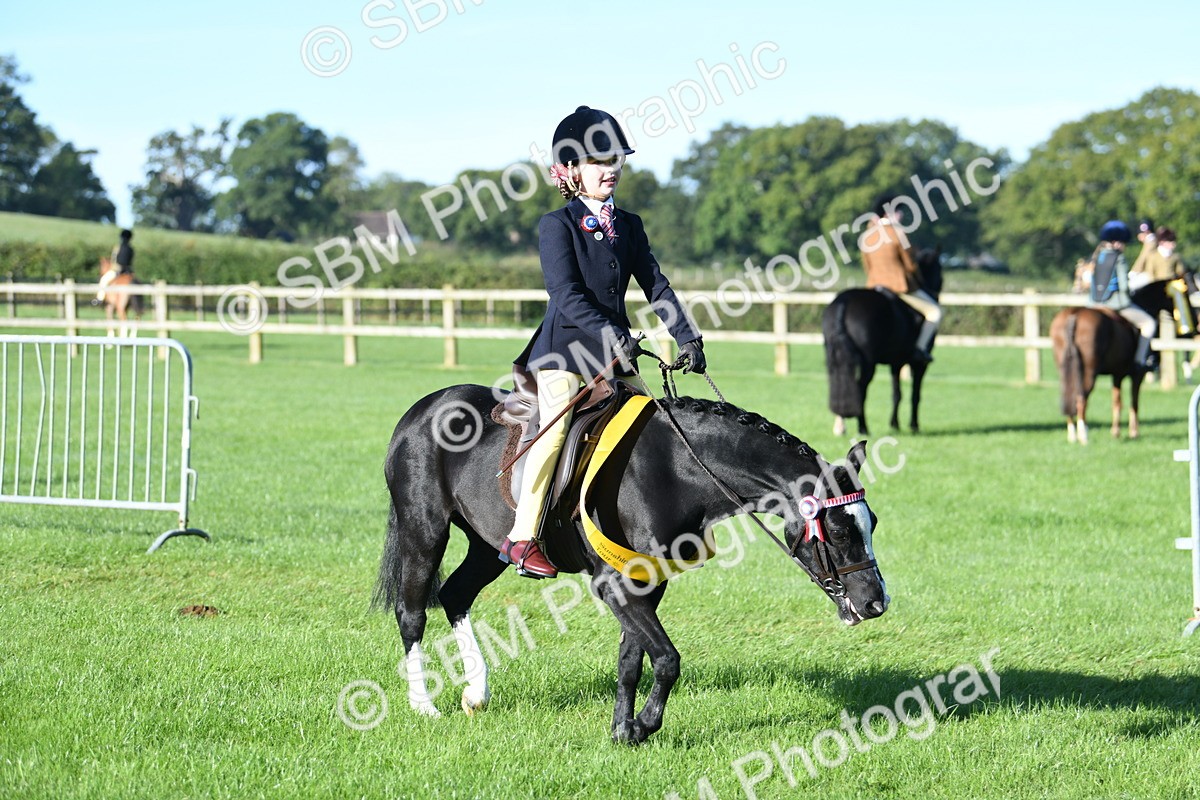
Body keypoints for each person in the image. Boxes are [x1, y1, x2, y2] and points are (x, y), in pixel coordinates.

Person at [499, 105, 705, 579]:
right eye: (598, 161)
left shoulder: (628, 224)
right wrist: (613, 331)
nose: (610, 168)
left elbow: (656, 285)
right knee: (553, 433)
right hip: (565, 352)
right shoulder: (558, 224)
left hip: (616, 353)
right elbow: (565, 295)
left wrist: (687, 336)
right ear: (570, 170)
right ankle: (523, 537)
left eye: (615, 159)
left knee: (654, 425)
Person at [860, 196, 941, 363]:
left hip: (874, 285)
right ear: (893, 213)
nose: (901, 216)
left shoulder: (867, 236)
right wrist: (918, 280)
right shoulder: (899, 233)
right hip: (899, 286)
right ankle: (919, 349)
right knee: (935, 312)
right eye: (899, 212)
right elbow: (910, 266)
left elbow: (867, 267)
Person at [1086, 220, 1157, 368]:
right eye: (1123, 242)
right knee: (1149, 323)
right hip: (1116, 304)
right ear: (1117, 242)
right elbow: (1124, 286)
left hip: (1093, 303)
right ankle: (1139, 361)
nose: (1124, 246)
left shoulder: (1097, 256)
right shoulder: (1119, 258)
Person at [96, 229, 134, 303]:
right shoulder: (131, 249)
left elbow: (115, 259)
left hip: (117, 270)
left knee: (103, 280)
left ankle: (99, 299)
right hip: (128, 271)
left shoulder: (118, 247)